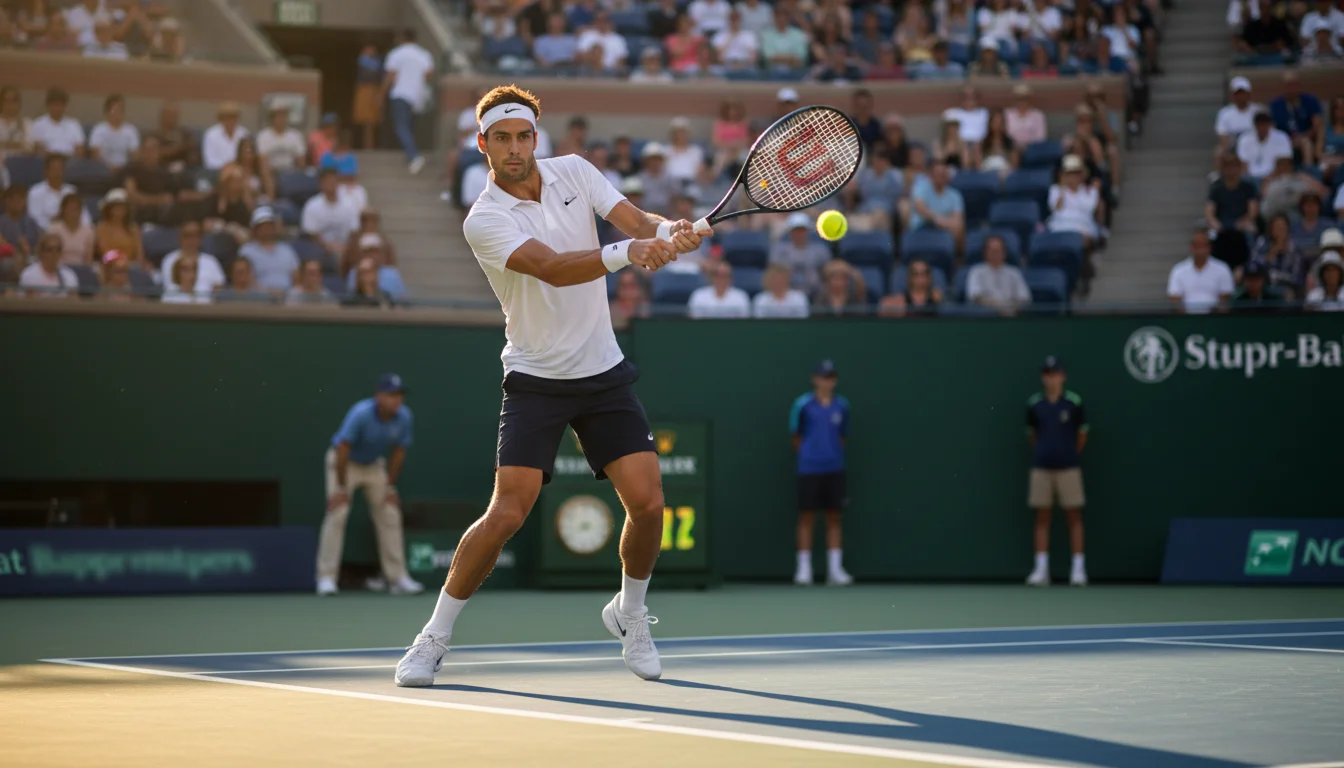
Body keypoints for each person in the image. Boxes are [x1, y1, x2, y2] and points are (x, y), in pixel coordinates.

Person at [393, 84, 702, 688]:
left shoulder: (575, 173)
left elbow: (638, 220)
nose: (514, 148)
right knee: (508, 512)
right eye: (501, 138)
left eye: (523, 136)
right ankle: (432, 638)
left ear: (537, 137)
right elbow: (555, 269)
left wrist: (672, 228)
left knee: (649, 501)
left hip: (603, 371)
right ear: (482, 145)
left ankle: (630, 614)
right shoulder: (485, 219)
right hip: (535, 377)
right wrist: (630, 252)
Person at [318, 374, 425, 597]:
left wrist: (389, 487)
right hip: (343, 463)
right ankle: (326, 578)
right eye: (391, 395)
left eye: (399, 396)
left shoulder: (404, 417)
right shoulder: (361, 413)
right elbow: (343, 448)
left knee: (389, 513)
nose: (396, 400)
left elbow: (398, 452)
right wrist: (340, 488)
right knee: (338, 512)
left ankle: (397, 579)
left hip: (373, 466)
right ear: (378, 397)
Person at [1025, 356, 1089, 588]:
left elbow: (1082, 435)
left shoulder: (1073, 403)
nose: (1051, 379)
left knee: (1074, 516)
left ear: (1063, 376)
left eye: (1055, 374)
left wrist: (1068, 454)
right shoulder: (1035, 404)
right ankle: (1041, 570)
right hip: (1041, 467)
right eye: (1047, 374)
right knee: (1042, 517)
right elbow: (1032, 436)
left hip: (1069, 468)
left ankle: (1078, 570)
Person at [789, 359, 852, 587]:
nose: (828, 382)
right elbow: (795, 437)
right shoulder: (803, 405)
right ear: (815, 379)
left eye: (831, 377)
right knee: (806, 517)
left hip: (834, 468)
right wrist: (810, 455)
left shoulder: (842, 406)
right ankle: (804, 569)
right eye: (824, 377)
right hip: (809, 468)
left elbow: (842, 437)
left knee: (834, 518)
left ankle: (835, 570)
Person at [383, 29, 435, 175]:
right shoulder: (424, 54)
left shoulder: (396, 54)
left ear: (402, 38)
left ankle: (414, 156)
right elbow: (428, 74)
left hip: (400, 93)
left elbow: (391, 76)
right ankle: (410, 155)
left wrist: (381, 94)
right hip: (416, 97)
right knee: (409, 127)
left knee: (401, 126)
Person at [1168, 228, 1234, 314]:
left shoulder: (1222, 269)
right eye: (1197, 246)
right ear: (1191, 247)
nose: (1200, 250)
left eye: (1203, 246)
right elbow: (1174, 298)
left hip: (1215, 319)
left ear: (1210, 248)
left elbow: (1225, 297)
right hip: (1187, 319)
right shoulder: (1178, 270)